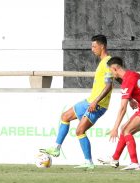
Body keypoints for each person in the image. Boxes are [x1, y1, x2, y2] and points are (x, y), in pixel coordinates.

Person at [40, 35, 113, 169]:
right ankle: (56, 148)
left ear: (102, 46)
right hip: (90, 101)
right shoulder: (103, 62)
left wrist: (96, 102)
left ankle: (89, 162)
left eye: (94, 46)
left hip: (98, 104)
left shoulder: (108, 62)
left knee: (80, 131)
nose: (92, 49)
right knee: (65, 116)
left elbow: (108, 86)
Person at [98, 57, 140, 170]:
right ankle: (115, 158)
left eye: (111, 70)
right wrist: (133, 99)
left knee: (126, 130)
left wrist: (114, 128)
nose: (111, 73)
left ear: (115, 68)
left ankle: (134, 162)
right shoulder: (133, 74)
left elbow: (122, 108)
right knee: (124, 128)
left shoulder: (127, 81)